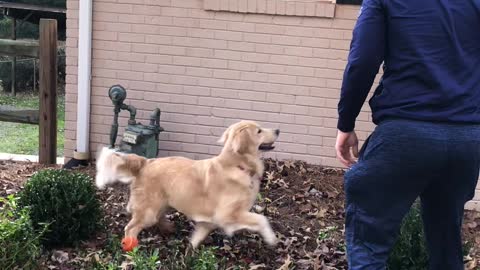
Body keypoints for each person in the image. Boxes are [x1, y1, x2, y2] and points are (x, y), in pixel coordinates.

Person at [335, 0, 480, 269]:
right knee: (446, 247)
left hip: (405, 133)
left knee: (368, 244)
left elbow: (362, 60)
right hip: (466, 139)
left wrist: (346, 123)